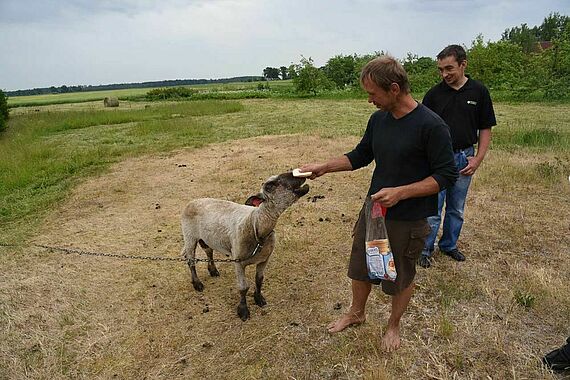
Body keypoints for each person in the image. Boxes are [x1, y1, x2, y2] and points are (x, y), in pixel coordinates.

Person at [299, 55, 458, 351]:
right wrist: (324, 166)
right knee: (361, 265)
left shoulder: (431, 126)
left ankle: (393, 326)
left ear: (394, 88)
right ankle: (356, 313)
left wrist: (401, 192)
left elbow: (446, 176)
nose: (369, 100)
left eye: (373, 93)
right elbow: (361, 155)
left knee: (401, 274)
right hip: (375, 210)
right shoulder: (379, 120)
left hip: (408, 216)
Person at [418, 44, 497, 269]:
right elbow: (422, 129)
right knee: (433, 207)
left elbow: (485, 128)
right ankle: (425, 248)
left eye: (449, 68)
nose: (445, 74)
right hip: (436, 160)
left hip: (464, 158)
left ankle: (449, 245)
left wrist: (477, 159)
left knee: (456, 207)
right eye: (441, 70)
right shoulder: (433, 95)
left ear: (463, 65)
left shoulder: (479, 92)